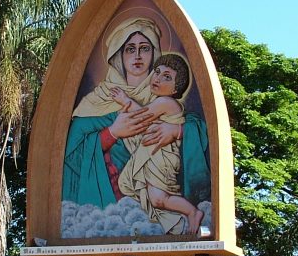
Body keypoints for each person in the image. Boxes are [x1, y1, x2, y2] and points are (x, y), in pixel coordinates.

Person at [61, 17, 211, 235]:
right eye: (130, 49)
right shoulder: (97, 100)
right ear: (118, 55)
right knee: (147, 194)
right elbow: (71, 150)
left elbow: (200, 130)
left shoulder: (163, 97)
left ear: (154, 54)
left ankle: (184, 217)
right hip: (110, 207)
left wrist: (177, 131)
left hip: (159, 171)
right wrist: (112, 133)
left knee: (157, 197)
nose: (138, 56)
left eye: (145, 48)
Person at [109, 53, 205, 235]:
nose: (158, 78)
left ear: (176, 88)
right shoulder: (159, 101)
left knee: (159, 198)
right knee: (155, 199)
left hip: (161, 157)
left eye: (167, 77)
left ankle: (192, 211)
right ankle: (180, 217)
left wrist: (126, 101)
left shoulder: (166, 102)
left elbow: (142, 117)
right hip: (153, 155)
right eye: (157, 72)